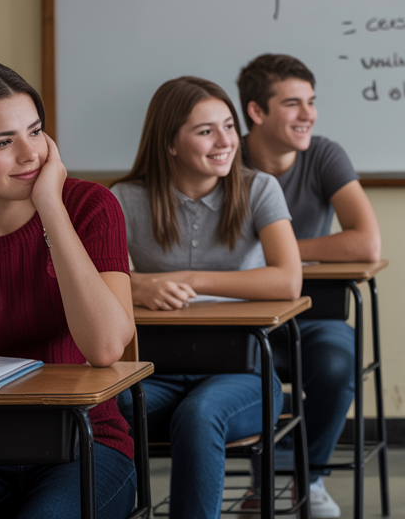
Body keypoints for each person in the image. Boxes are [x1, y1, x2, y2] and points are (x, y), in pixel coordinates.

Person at [0, 59, 138, 518]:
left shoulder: (90, 206)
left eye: (35, 132)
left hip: (84, 445)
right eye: (2, 142)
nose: (30, 154)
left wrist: (51, 207)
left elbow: (107, 346)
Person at [112, 77, 302, 519]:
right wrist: (138, 284)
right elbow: (103, 284)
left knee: (200, 417)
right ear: (170, 143)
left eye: (229, 126)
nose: (225, 141)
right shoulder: (123, 199)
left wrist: (190, 279)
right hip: (153, 372)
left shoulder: (259, 189)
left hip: (245, 373)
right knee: (106, 408)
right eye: (205, 131)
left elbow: (287, 281)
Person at [238, 54, 381, 518]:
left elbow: (365, 243)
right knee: (241, 377)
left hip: (313, 315)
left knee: (339, 362)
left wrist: (281, 250)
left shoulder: (323, 154)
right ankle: (266, 480)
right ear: (257, 111)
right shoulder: (225, 155)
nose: (308, 115)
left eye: (312, 102)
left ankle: (306, 477)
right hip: (240, 316)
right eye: (293, 103)